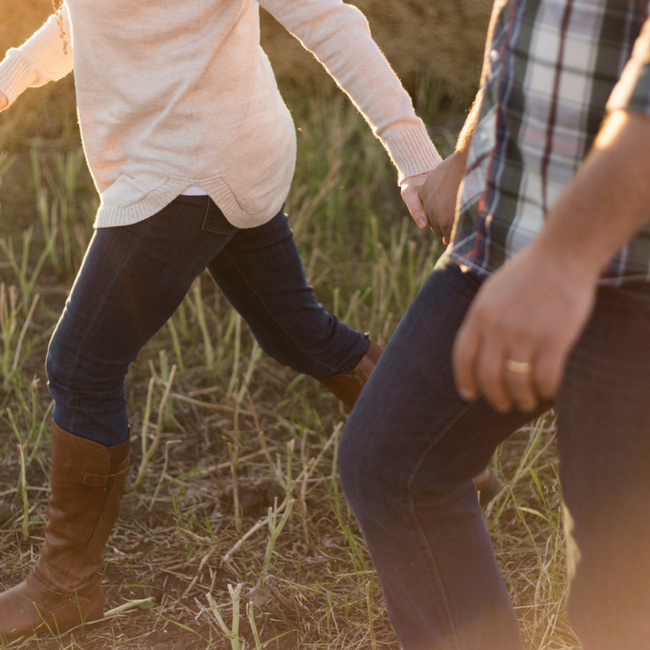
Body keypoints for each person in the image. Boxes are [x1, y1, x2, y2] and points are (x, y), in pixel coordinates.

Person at [0, 0, 500, 639]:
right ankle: (445, 451)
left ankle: (65, 583)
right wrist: (15, 73)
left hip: (189, 166)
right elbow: (85, 17)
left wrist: (419, 160)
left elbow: (329, 20)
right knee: (296, 332)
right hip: (224, 147)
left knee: (80, 363)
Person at [339, 1, 650, 649]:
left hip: (632, 274)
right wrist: (471, 145)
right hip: (507, 241)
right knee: (393, 466)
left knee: (621, 602)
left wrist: (565, 259)